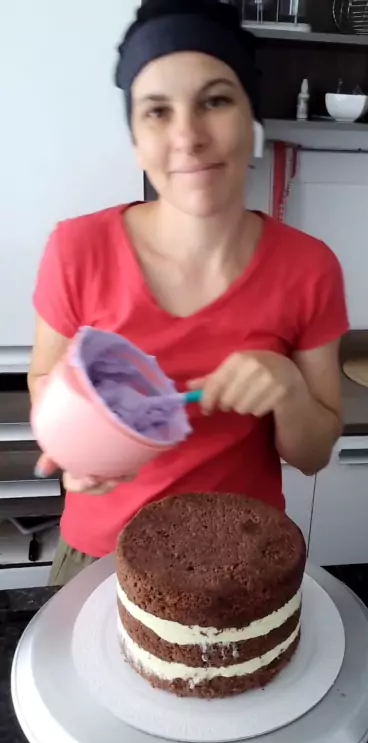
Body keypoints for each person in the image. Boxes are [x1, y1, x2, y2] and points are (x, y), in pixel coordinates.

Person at [28, 0, 349, 585]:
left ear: (251, 116)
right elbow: (44, 379)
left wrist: (288, 390)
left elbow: (314, 453)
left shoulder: (309, 268)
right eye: (157, 111)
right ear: (135, 140)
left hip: (242, 565)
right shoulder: (77, 249)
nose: (189, 137)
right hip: (101, 558)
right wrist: (73, 444)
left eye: (215, 101)